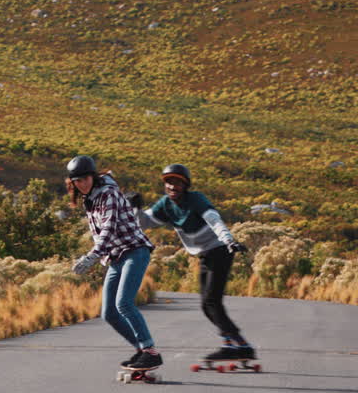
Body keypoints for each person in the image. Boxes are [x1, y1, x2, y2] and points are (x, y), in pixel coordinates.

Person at [138, 163, 255, 361]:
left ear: (186, 185)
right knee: (206, 304)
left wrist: (229, 240)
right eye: (169, 182)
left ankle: (240, 346)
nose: (172, 187)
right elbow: (144, 222)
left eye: (177, 182)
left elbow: (214, 219)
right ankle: (234, 344)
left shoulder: (196, 199)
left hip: (221, 250)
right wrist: (135, 208)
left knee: (211, 301)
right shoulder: (165, 204)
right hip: (205, 254)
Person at [66, 155, 163, 370]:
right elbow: (98, 233)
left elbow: (108, 229)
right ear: (72, 182)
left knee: (124, 304)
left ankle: (150, 352)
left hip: (134, 251)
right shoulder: (89, 199)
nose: (82, 184)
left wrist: (91, 256)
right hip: (115, 257)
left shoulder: (108, 194)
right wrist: (100, 255)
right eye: (77, 181)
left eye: (85, 179)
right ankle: (141, 351)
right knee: (108, 313)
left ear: (93, 176)